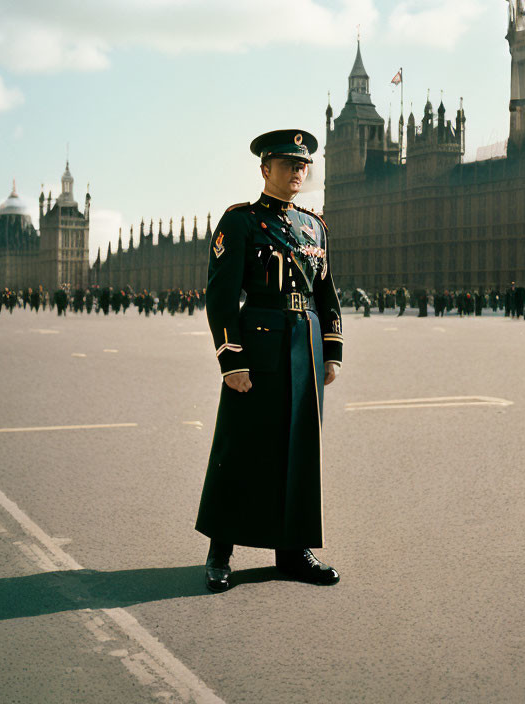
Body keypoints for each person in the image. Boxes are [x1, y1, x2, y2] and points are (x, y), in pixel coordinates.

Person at [196, 129, 343, 593]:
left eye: (302, 165)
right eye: (287, 164)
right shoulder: (239, 222)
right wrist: (231, 359)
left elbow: (326, 292)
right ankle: (221, 549)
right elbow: (221, 297)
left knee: (300, 448)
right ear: (265, 169)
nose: (297, 171)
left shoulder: (314, 226)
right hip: (257, 348)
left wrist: (332, 349)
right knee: (241, 447)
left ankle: (294, 549)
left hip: (306, 347)